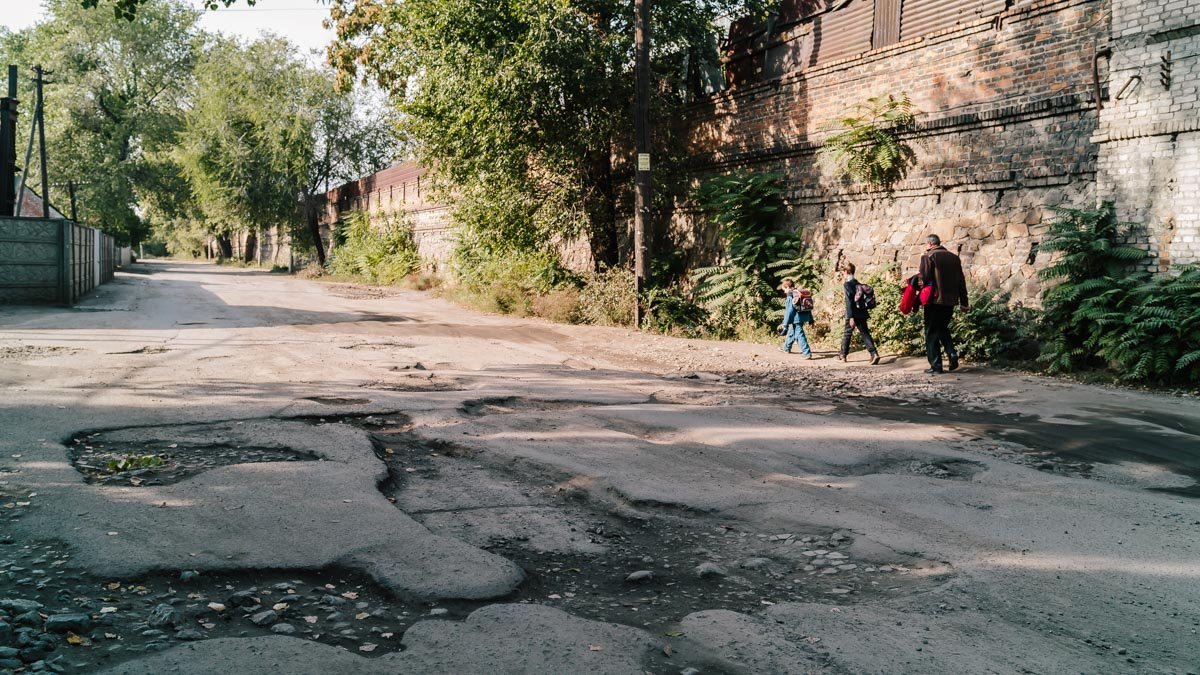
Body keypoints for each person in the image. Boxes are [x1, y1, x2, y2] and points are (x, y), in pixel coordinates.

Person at [918, 234, 968, 373]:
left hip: (934, 301)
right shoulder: (954, 258)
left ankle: (936, 366)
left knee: (931, 332)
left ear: (929, 244)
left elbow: (924, 280)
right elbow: (961, 282)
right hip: (950, 301)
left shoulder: (928, 257)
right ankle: (952, 353)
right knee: (942, 328)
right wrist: (964, 302)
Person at [838, 262, 880, 365]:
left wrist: (851, 317)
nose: (842, 274)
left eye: (843, 272)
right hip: (861, 311)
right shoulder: (858, 283)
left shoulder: (847, 284)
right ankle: (874, 354)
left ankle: (843, 355)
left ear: (846, 272)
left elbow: (849, 301)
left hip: (852, 313)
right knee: (865, 333)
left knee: (847, 334)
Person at [778, 279, 814, 358]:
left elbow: (789, 312)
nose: (784, 292)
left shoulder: (790, 296)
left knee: (799, 335)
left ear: (787, 287)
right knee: (792, 332)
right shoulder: (799, 293)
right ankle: (786, 347)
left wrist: (785, 325)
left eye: (784, 290)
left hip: (796, 318)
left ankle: (806, 352)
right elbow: (808, 306)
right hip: (804, 316)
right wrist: (811, 319)